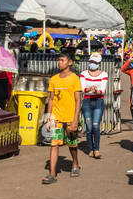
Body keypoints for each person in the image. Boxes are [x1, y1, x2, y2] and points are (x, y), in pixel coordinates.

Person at [43, 49, 83, 184]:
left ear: (70, 62)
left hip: (70, 118)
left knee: (72, 144)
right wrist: (48, 118)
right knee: (54, 144)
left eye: (62, 60)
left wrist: (75, 120)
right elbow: (51, 100)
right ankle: (52, 174)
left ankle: (75, 163)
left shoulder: (74, 79)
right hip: (57, 119)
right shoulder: (54, 79)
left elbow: (78, 101)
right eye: (59, 60)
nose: (59, 62)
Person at [79, 51, 108, 158]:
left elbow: (103, 90)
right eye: (91, 61)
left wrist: (96, 91)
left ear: (99, 63)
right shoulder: (84, 73)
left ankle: (96, 149)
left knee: (96, 125)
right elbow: (82, 89)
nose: (92, 63)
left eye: (95, 62)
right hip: (86, 101)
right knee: (89, 126)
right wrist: (90, 89)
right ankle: (90, 148)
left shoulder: (104, 74)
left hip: (98, 101)